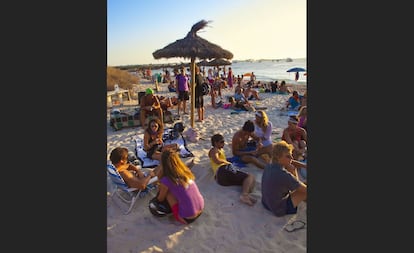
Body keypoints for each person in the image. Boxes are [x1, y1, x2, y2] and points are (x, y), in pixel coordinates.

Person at [156, 149, 204, 225]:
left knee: (168, 193)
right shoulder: (185, 171)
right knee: (179, 191)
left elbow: (160, 199)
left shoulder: (167, 180)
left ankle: (177, 215)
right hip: (201, 209)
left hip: (188, 218)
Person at [261, 140, 307, 217]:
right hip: (279, 209)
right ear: (278, 157)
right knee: (304, 190)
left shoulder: (269, 165)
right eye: (288, 156)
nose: (291, 158)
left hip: (266, 203)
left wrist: (303, 166)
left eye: (291, 155)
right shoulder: (283, 175)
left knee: (293, 171)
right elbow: (304, 190)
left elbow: (291, 161)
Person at [209, 134, 257, 206]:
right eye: (221, 142)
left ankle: (246, 194)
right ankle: (244, 195)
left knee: (247, 180)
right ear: (215, 143)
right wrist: (226, 162)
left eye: (223, 141)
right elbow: (217, 160)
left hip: (221, 179)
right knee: (249, 176)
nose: (223, 143)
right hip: (223, 170)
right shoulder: (214, 150)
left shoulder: (219, 150)